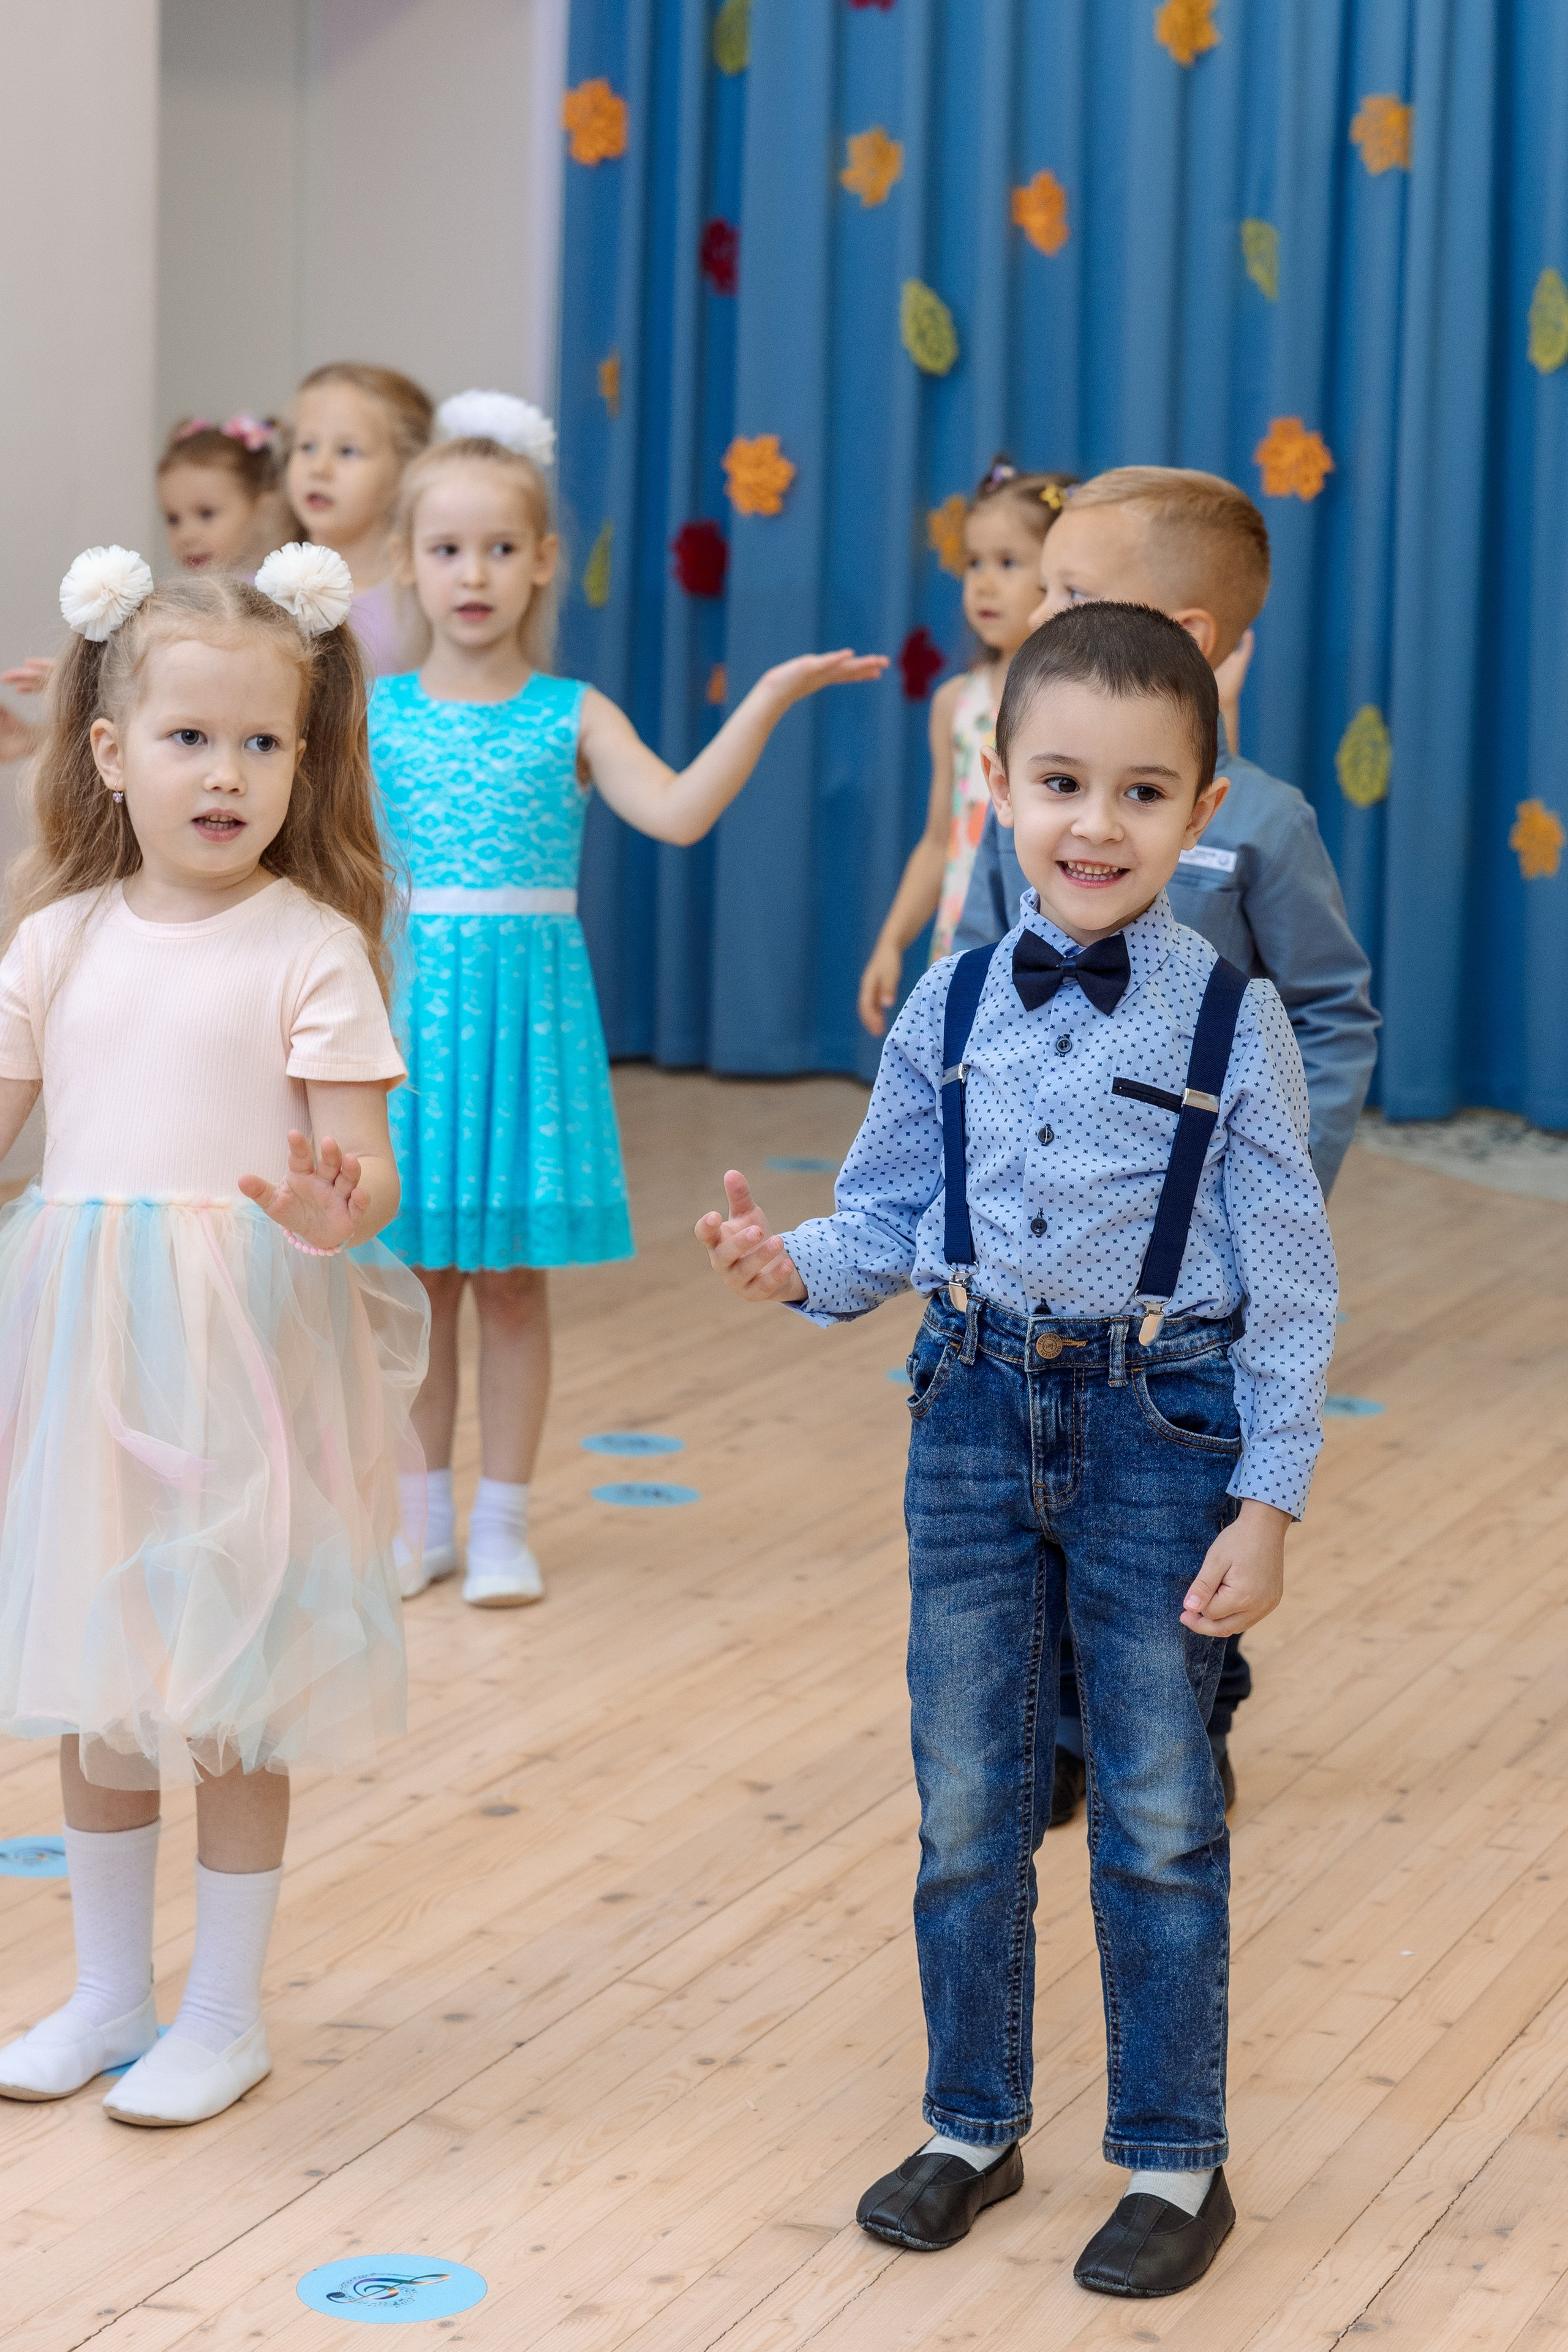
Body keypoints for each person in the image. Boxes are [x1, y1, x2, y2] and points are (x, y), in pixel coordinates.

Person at [698, 602, 1337, 2297]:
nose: (1095, 825)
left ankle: (1173, 2161)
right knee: (972, 1795)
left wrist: (1268, 1502)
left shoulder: (1235, 1025)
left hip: (1162, 1426)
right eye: (1061, 782)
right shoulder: (956, 996)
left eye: (1142, 792)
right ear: (996, 782)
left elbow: (1292, 1285)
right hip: (969, 1409)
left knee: (1155, 1806)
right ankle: (972, 2122)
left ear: (1203, 813)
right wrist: (799, 1267)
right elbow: (896, 1212)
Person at [0, 545, 428, 2128]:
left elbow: (363, 1170)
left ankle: (224, 2012)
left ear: (307, 757)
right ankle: (110, 1992)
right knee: (93, 1668)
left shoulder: (308, 945)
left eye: (265, 742)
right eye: (190, 739)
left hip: (244, 1349)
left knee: (231, 1679)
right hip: (83, 1346)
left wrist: (338, 1205)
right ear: (111, 753)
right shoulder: (55, 943)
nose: (229, 772)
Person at [372, 391, 887, 1607]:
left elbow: (676, 810)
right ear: (406, 565)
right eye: (446, 550)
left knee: (505, 1284)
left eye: (501, 548)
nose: (473, 574)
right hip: (408, 1027)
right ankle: (419, 1518)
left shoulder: (572, 713)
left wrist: (759, 702)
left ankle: (502, 1520)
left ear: (545, 560)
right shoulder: (371, 716)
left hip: (525, 1023)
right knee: (415, 1288)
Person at [954, 467, 1378, 1820]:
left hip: (1194, 1274)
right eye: (1043, 586)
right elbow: (970, 975)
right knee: (1043, 1496)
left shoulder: (1256, 823)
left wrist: (1277, 1189)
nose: (1039, 609)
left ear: (1187, 636)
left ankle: (1194, 1697)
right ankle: (1061, 1728)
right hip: (1040, 1256)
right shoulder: (1031, 809)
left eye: (1074, 592)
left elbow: (1327, 1014)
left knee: (1175, 1503)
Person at [857, 458, 1077, 1035]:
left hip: (1059, 945)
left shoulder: (1083, 703)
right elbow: (938, 841)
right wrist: (891, 941)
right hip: (965, 944)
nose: (981, 582)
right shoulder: (957, 703)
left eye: (1007, 562)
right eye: (973, 562)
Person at [285, 361, 434, 676]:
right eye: (307, 446)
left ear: (406, 469)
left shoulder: (425, 606)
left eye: (347, 451)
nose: (319, 468)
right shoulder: (252, 596)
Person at [158, 413, 291, 575]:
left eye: (206, 514)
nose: (186, 536)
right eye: (173, 520)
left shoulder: (278, 592)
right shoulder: (184, 597)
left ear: (262, 509)